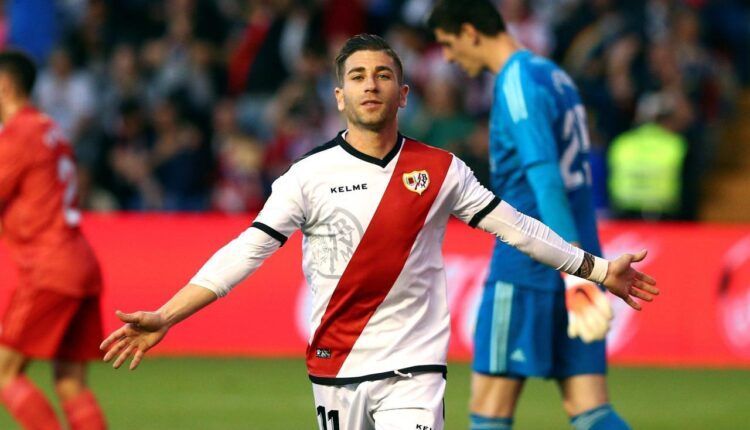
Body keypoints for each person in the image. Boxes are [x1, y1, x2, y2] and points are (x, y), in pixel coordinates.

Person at [100, 34, 658, 430]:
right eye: (358, 77)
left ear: (404, 94)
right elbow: (246, 251)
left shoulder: (441, 170)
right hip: (334, 366)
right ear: (339, 96)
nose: (372, 85)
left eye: (384, 75)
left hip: (413, 369)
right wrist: (167, 314)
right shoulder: (307, 176)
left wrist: (598, 269)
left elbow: (515, 227)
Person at [427, 1, 633, 429]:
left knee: (489, 412)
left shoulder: (516, 82)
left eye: (448, 44)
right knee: (590, 409)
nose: (447, 57)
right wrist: (585, 269)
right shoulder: (555, 76)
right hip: (581, 256)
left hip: (531, 264)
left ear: (470, 32)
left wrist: (574, 272)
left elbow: (546, 179)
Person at [0, 50, 107, 430]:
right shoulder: (50, 129)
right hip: (80, 262)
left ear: (6, 85)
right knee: (70, 381)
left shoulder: (18, 134)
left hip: (48, 267)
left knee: (4, 374)